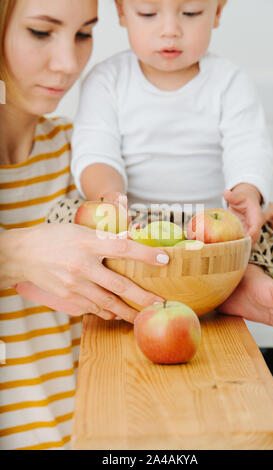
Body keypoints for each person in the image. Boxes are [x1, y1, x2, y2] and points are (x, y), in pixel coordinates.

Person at [0, 0, 170, 450]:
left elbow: (178, 231)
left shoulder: (85, 156)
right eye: (40, 32)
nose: (68, 65)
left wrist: (269, 221)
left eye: (83, 33)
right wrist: (13, 253)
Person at [68, 0, 273, 334]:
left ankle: (240, 287)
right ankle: (98, 288)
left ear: (217, 12)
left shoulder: (229, 81)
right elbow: (95, 151)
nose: (170, 30)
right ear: (121, 13)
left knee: (256, 231)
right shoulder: (106, 80)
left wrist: (246, 191)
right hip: (133, 228)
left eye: (190, 13)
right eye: (148, 14)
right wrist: (109, 196)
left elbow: (249, 147)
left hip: (204, 231)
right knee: (65, 214)